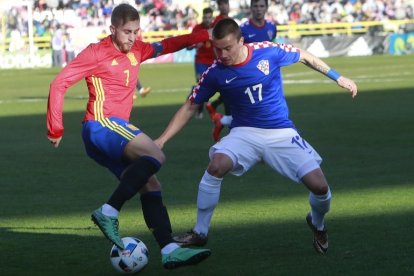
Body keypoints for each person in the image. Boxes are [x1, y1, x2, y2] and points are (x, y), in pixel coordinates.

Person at [155, 18, 358, 255]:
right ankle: (200, 233)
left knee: (320, 188)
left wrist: (338, 77)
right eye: (217, 48)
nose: (222, 54)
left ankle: (317, 223)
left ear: (241, 41)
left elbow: (304, 54)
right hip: (244, 133)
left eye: (228, 48)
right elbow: (190, 106)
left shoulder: (267, 52)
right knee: (216, 165)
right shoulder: (215, 73)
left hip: (280, 131)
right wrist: (161, 140)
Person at [46, 3, 211, 269]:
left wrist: (203, 36)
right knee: (156, 153)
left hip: (110, 132)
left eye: (136, 31)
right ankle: (108, 211)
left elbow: (167, 45)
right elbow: (59, 83)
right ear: (112, 29)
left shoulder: (137, 49)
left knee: (152, 184)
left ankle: (169, 249)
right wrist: (55, 128)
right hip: (101, 125)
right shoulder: (95, 52)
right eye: (126, 32)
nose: (132, 37)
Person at [210, 0, 278, 141]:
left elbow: (271, 51)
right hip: (246, 78)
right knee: (249, 114)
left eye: (261, 6)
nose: (258, 9)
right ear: (251, 8)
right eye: (255, 6)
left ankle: (222, 122)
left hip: (267, 78)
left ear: (266, 8)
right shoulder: (243, 29)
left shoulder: (272, 27)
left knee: (263, 113)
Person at [187, 7, 215, 119]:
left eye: (209, 17)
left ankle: (206, 106)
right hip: (201, 61)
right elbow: (188, 45)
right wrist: (194, 45)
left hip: (214, 61)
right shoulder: (197, 29)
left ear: (212, 17)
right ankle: (199, 110)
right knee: (201, 83)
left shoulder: (216, 28)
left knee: (209, 87)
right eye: (205, 17)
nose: (207, 20)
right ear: (202, 17)